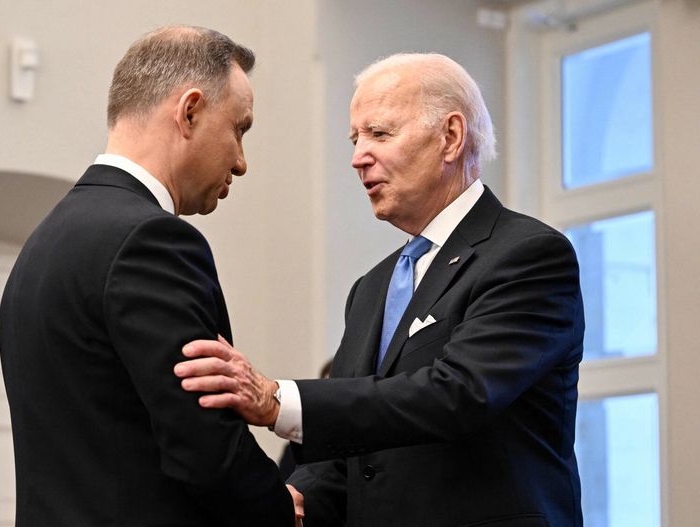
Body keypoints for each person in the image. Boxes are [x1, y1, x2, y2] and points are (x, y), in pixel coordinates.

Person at [175, 52, 585, 527]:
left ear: (451, 137)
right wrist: (292, 499)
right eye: (356, 139)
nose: (357, 158)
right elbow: (356, 450)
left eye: (380, 134)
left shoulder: (528, 254)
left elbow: (457, 395)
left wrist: (276, 401)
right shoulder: (371, 288)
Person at [0, 26, 296, 526]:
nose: (241, 162)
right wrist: (280, 508)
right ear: (190, 111)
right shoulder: (150, 240)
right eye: (239, 129)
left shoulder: (46, 241)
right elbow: (202, 445)